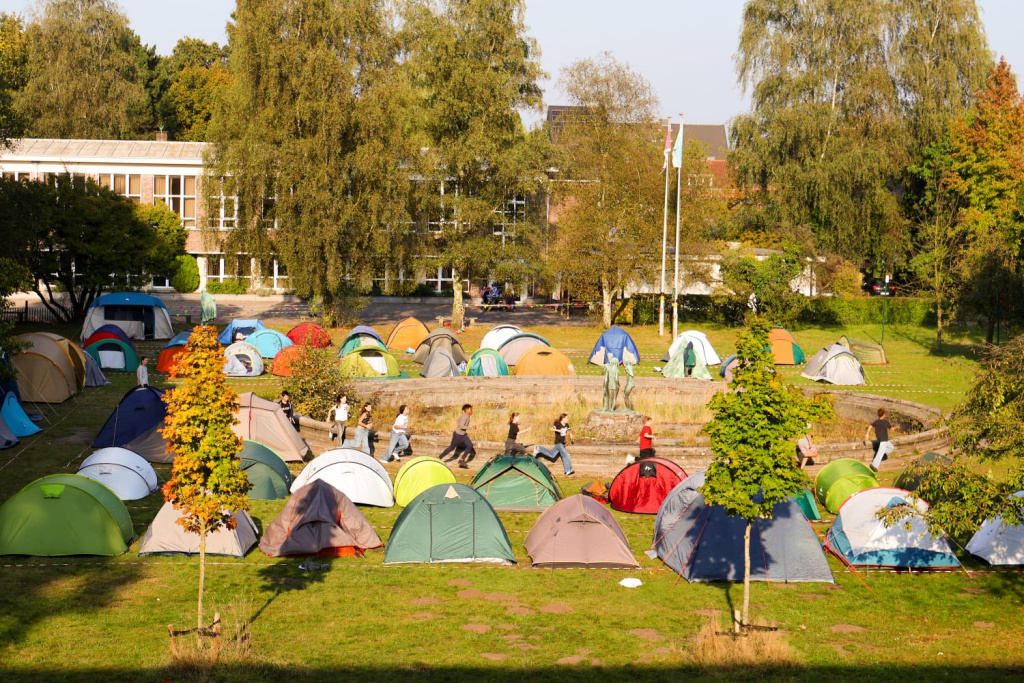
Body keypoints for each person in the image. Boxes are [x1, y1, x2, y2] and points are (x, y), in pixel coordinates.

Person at [439, 404, 476, 468]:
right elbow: (461, 426)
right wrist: (471, 428)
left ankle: (462, 460)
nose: (472, 411)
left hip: (463, 435)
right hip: (458, 435)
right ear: (467, 410)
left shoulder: (466, 416)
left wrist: (460, 426)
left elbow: (458, 421)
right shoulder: (465, 417)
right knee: (451, 448)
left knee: (470, 445)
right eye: (471, 410)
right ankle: (439, 458)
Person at [866, 407, 894, 472]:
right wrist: (896, 427)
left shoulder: (876, 422)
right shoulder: (885, 422)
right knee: (880, 452)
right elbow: (892, 429)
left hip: (884, 440)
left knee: (891, 447)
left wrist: (867, 434)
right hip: (883, 440)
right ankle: (874, 465)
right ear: (883, 414)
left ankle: (880, 454)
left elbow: (870, 426)